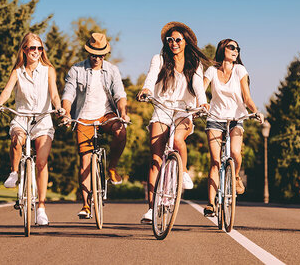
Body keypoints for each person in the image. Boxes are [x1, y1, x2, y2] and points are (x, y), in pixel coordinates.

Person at [0, 32, 64, 225]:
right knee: (16, 139)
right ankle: (14, 173)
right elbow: (7, 91)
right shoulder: (17, 71)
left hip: (43, 120)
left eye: (39, 48)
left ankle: (41, 209)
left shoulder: (48, 70)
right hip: (21, 117)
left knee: (41, 162)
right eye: (32, 48)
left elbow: (54, 94)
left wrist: (58, 107)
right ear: (24, 49)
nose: (36, 52)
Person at [137, 22, 210, 224]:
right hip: (162, 108)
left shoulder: (195, 64)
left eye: (178, 39)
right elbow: (151, 78)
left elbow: (198, 87)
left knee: (178, 139)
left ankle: (184, 171)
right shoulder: (159, 59)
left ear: (186, 42)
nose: (174, 43)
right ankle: (152, 209)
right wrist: (146, 90)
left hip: (184, 111)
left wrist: (202, 102)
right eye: (170, 40)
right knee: (155, 160)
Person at [61, 32, 130, 219]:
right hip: (84, 117)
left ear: (105, 54)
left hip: (106, 114)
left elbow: (120, 95)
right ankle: (86, 205)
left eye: (100, 55)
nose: (97, 58)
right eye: (94, 55)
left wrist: (123, 113)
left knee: (120, 132)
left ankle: (112, 168)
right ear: (88, 53)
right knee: (85, 160)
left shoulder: (112, 70)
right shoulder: (76, 70)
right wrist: (67, 113)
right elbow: (68, 95)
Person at [203, 39, 264, 217]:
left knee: (236, 152)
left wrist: (256, 111)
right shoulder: (212, 71)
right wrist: (201, 104)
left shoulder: (240, 70)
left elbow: (246, 96)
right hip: (215, 118)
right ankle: (210, 204)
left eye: (237, 48)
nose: (235, 50)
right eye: (231, 47)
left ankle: (235, 176)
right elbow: (202, 88)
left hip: (236, 117)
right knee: (215, 160)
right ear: (222, 50)